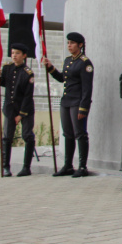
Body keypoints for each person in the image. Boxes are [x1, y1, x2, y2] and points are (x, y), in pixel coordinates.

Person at [43, 32, 93, 177]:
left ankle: (82, 166)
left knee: (80, 133)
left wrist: (84, 107)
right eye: (68, 43)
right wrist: (50, 68)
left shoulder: (85, 63)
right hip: (66, 101)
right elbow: (62, 79)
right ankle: (68, 165)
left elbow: (87, 88)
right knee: (68, 133)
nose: (69, 45)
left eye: (72, 43)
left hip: (77, 102)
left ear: (80, 45)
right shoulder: (68, 60)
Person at [0, 43, 36, 177]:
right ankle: (5, 167)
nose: (14, 56)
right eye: (12, 53)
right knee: (7, 137)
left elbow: (28, 96)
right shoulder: (7, 68)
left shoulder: (27, 73)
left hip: (25, 108)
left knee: (27, 136)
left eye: (17, 53)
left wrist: (21, 115)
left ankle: (26, 167)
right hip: (10, 108)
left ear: (24, 56)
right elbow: (4, 84)